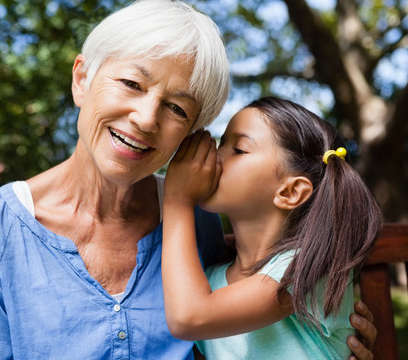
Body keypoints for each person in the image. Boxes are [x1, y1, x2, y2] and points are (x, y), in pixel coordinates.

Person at [0, 1, 376, 359]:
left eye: (177, 109)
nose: (144, 118)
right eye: (131, 83)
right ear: (82, 78)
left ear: (192, 132)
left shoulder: (199, 221)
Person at [162, 96, 382, 359]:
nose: (213, 156)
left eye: (238, 149)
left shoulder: (307, 269)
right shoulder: (209, 280)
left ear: (290, 192)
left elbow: (188, 317)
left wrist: (177, 199)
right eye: (221, 144)